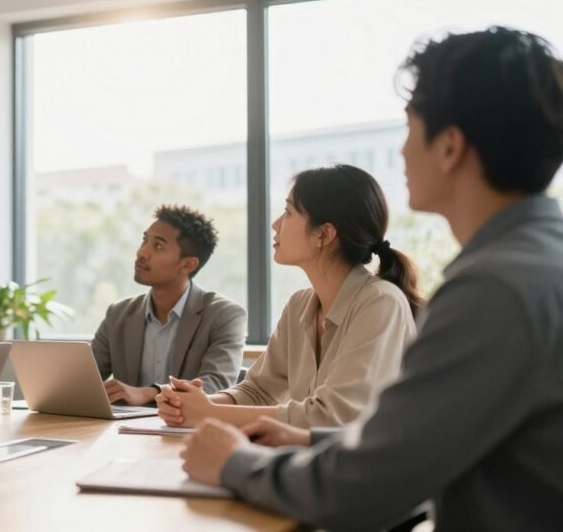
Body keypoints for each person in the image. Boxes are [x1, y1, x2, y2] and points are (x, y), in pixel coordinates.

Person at [181, 27, 563, 531]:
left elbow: (358, 492)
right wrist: (312, 441)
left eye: (409, 128)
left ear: (450, 147)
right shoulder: (534, 262)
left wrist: (232, 462)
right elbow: (427, 438)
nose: (402, 152)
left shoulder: (495, 289)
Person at [157, 166, 420, 428]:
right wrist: (195, 403)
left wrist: (207, 413)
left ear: (324, 234)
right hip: (313, 463)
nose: (275, 224)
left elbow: (333, 416)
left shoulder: (381, 303)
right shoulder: (299, 305)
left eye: (288, 212)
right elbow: (257, 391)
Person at [91, 204, 246, 406]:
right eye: (144, 240)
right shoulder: (118, 314)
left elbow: (216, 384)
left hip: (188, 430)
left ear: (188, 264)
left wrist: (150, 392)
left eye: (158, 246)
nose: (142, 252)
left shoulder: (225, 315)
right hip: (123, 431)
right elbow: (83, 380)